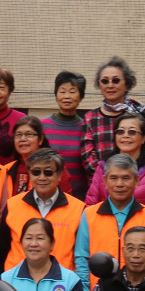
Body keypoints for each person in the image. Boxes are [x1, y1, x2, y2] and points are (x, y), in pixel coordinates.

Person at [75, 153, 145, 291]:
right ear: (104, 181)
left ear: (136, 181)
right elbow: (82, 258)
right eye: (114, 178)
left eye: (126, 178)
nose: (119, 184)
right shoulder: (89, 214)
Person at [0, 148, 85, 272]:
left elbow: (82, 256)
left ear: (59, 175)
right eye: (36, 172)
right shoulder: (13, 205)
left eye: (48, 173)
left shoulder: (78, 209)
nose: (42, 178)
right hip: (16, 282)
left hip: (60, 284)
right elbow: (1, 249)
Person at [85, 112, 145, 226]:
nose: (125, 135)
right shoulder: (103, 166)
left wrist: (136, 235)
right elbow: (91, 205)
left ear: (143, 138)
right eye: (120, 132)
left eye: (132, 132)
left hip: (142, 237)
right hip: (105, 233)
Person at [80, 57, 145, 181]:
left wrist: (129, 179)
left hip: (138, 183)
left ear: (127, 84)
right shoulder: (91, 118)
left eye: (116, 80)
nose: (110, 85)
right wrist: (110, 179)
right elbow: (88, 158)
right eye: (105, 81)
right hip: (102, 184)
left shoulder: (140, 115)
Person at [41, 71, 89, 200]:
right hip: (47, 194)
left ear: (81, 96)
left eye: (72, 92)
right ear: (56, 95)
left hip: (78, 197)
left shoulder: (87, 128)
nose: (67, 96)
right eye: (62, 91)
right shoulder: (42, 126)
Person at [8, 116, 73, 197]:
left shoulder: (55, 168)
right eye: (18, 135)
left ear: (40, 139)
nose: (23, 139)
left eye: (28, 134)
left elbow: (66, 201)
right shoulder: (8, 169)